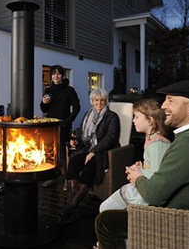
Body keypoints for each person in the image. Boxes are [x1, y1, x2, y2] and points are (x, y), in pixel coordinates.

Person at [95, 80, 189, 249]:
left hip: (182, 223)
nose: (163, 106)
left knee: (105, 222)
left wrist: (138, 177)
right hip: (188, 214)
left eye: (171, 100)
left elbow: (153, 195)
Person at [98, 98, 171, 212]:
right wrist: (141, 167)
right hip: (142, 187)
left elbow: (157, 177)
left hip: (144, 193)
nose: (133, 121)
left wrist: (137, 173)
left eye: (136, 117)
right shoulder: (152, 139)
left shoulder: (157, 144)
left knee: (105, 208)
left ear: (150, 121)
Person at [60, 88, 120, 223]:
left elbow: (111, 137)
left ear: (106, 101)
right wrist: (75, 140)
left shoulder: (112, 117)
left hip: (103, 151)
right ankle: (72, 205)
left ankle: (70, 206)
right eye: (96, 100)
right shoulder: (88, 115)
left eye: (102, 100)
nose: (99, 103)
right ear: (92, 102)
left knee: (89, 167)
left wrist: (94, 151)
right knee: (74, 162)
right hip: (87, 149)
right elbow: (81, 133)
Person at [40, 65, 80, 187]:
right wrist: (43, 102)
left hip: (63, 125)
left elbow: (77, 108)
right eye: (53, 74)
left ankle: (65, 176)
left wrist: (68, 121)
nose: (56, 76)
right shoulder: (48, 90)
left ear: (62, 76)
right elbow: (43, 109)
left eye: (58, 74)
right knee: (49, 150)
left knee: (61, 152)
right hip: (50, 125)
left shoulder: (69, 90)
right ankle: (52, 175)